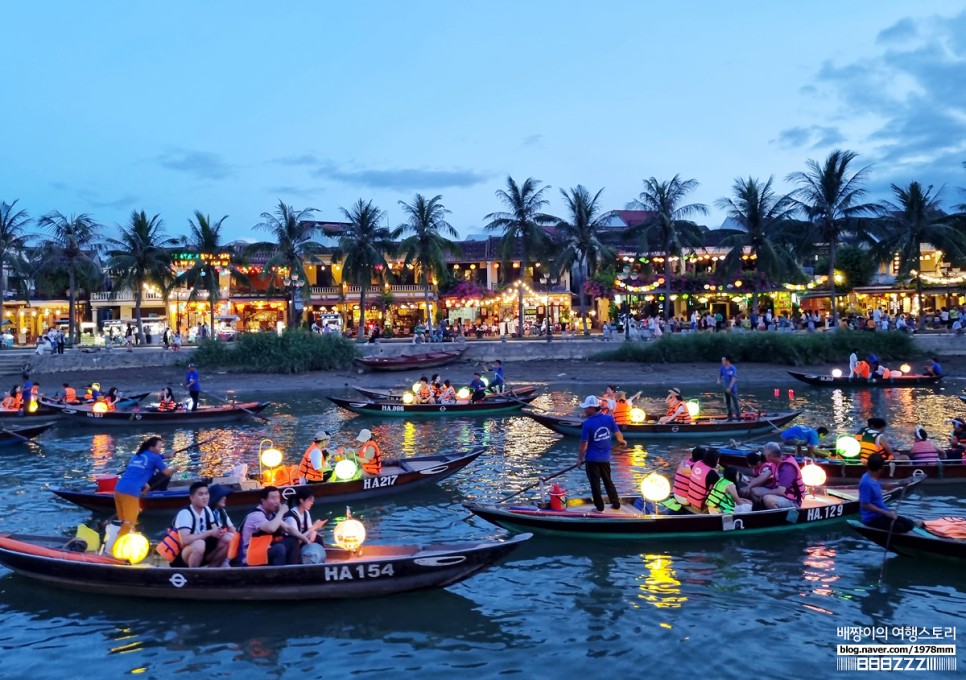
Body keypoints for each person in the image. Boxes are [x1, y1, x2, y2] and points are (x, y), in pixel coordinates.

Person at [113, 436, 178, 536]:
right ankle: (116, 549)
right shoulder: (155, 458)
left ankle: (115, 542)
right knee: (129, 524)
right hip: (130, 492)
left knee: (122, 522)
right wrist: (175, 468)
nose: (160, 449)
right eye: (159, 447)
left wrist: (168, 455)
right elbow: (166, 472)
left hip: (118, 490)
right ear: (152, 447)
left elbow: (140, 470)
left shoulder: (137, 456)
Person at [576, 395, 627, 512]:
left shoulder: (587, 424)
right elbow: (617, 433)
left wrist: (579, 459)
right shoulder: (608, 419)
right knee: (608, 481)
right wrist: (621, 441)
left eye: (586, 408)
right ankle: (616, 504)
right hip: (605, 458)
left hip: (592, 459)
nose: (584, 410)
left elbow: (584, 444)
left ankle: (599, 508)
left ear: (592, 409)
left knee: (595, 484)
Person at [239, 486, 310, 566]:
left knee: (293, 540)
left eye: (278, 498)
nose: (277, 501)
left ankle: (292, 569)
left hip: (263, 550)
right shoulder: (255, 515)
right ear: (263, 501)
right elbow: (271, 528)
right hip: (251, 556)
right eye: (273, 498)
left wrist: (306, 540)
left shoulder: (271, 514)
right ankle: (279, 575)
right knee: (279, 548)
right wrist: (281, 512)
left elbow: (288, 528)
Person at [170, 482, 230, 568]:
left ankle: (212, 571)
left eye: (206, 494)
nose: (205, 497)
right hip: (184, 556)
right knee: (199, 544)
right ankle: (193, 575)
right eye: (201, 494)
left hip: (204, 551)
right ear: (192, 497)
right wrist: (209, 533)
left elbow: (214, 530)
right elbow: (185, 540)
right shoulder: (185, 513)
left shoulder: (207, 510)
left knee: (228, 538)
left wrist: (220, 532)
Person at [859, 454, 918, 533]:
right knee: (899, 527)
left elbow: (883, 486)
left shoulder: (872, 477)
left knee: (909, 524)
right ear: (880, 469)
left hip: (882, 514)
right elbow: (864, 504)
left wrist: (900, 484)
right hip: (872, 519)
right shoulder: (866, 482)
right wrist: (886, 513)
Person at [282, 487, 329, 561]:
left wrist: (314, 531)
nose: (312, 503)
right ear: (301, 500)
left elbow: (310, 530)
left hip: (304, 540)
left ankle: (321, 559)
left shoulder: (306, 512)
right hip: (294, 545)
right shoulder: (291, 517)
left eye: (312, 500)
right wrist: (314, 527)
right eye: (310, 500)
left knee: (318, 538)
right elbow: (297, 540)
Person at [759, 442, 807, 509]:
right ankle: (763, 510)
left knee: (768, 499)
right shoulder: (775, 462)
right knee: (753, 491)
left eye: (766, 455)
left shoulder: (787, 468)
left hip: (792, 500)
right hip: (781, 494)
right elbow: (763, 477)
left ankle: (780, 517)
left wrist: (763, 495)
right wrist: (749, 487)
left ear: (772, 456)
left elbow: (780, 491)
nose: (764, 456)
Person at [717, 356, 739, 420]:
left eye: (723, 360)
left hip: (732, 389)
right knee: (727, 403)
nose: (722, 362)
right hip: (725, 389)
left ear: (727, 361)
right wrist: (718, 380)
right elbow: (719, 375)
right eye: (722, 360)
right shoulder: (722, 368)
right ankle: (730, 417)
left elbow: (733, 378)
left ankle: (738, 417)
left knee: (735, 403)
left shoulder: (732, 368)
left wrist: (729, 387)